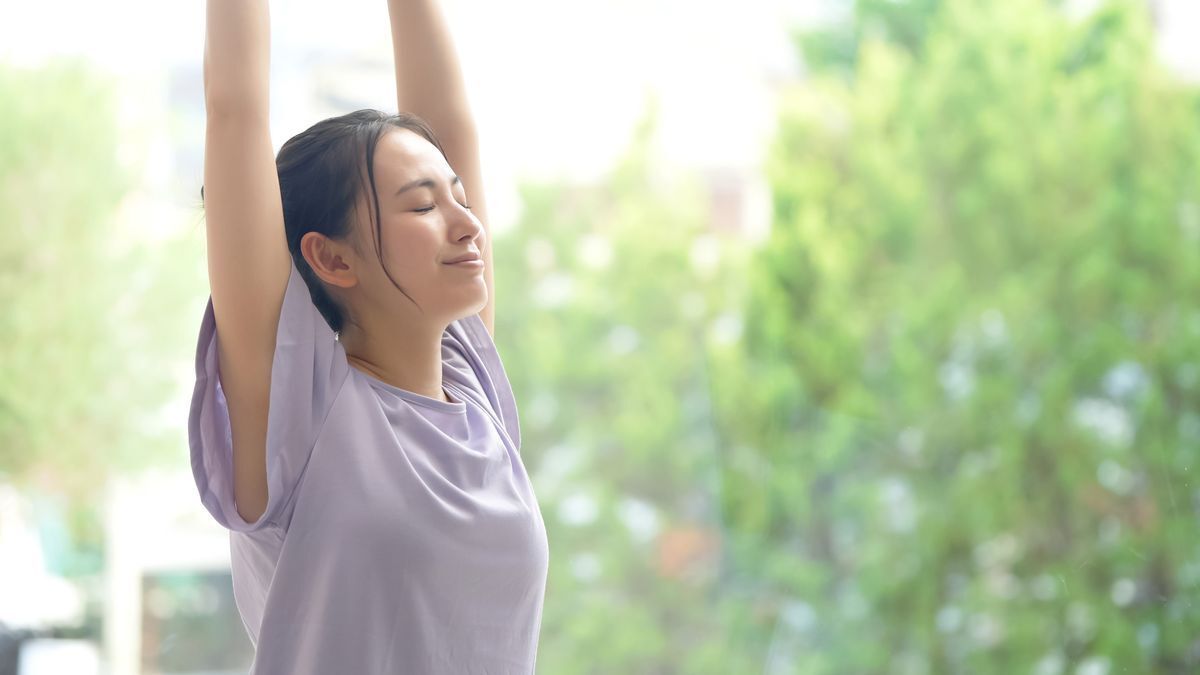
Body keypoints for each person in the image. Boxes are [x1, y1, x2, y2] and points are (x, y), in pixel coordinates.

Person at [189, 1, 549, 673]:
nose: (467, 224)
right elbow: (234, 105)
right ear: (331, 258)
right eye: (421, 205)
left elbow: (453, 124)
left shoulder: (473, 394)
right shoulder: (299, 415)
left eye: (460, 196)